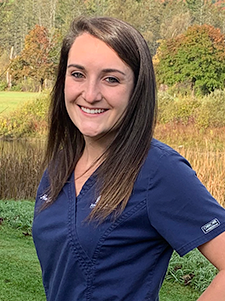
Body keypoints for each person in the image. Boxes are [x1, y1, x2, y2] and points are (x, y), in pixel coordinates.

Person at [32, 16, 225, 301]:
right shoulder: (59, 167)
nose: (90, 93)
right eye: (77, 74)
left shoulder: (158, 170)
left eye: (111, 79)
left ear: (136, 90)